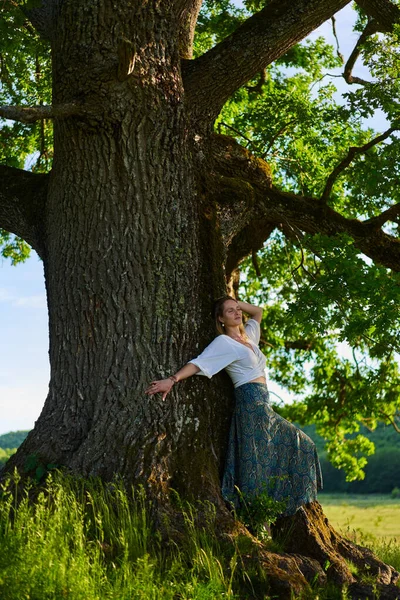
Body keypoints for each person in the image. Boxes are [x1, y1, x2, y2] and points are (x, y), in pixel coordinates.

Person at [145, 296, 322, 516]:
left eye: (237, 309)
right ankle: (257, 517)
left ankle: (277, 510)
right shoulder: (223, 343)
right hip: (248, 404)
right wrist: (172, 380)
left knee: (303, 446)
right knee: (254, 463)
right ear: (220, 319)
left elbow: (257, 312)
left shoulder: (249, 337)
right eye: (230, 311)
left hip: (264, 405)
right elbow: (198, 362)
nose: (237, 313)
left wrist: (237, 302)